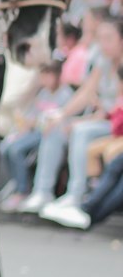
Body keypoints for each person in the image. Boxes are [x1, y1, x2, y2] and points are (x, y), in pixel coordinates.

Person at [17, 15, 123, 217]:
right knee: (56, 126)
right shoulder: (102, 61)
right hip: (103, 119)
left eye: (109, 38)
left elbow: (113, 111)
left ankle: (77, 195)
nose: (103, 44)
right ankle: (43, 191)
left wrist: (81, 120)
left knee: (80, 131)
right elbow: (85, 93)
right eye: (100, 38)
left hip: (115, 124)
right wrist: (62, 115)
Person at [0, 60, 74, 211]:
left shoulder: (66, 94)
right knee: (4, 147)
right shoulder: (43, 93)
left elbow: (62, 121)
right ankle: (16, 182)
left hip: (50, 134)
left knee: (16, 150)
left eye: (48, 74)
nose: (45, 79)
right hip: (34, 131)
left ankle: (22, 189)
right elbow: (32, 118)